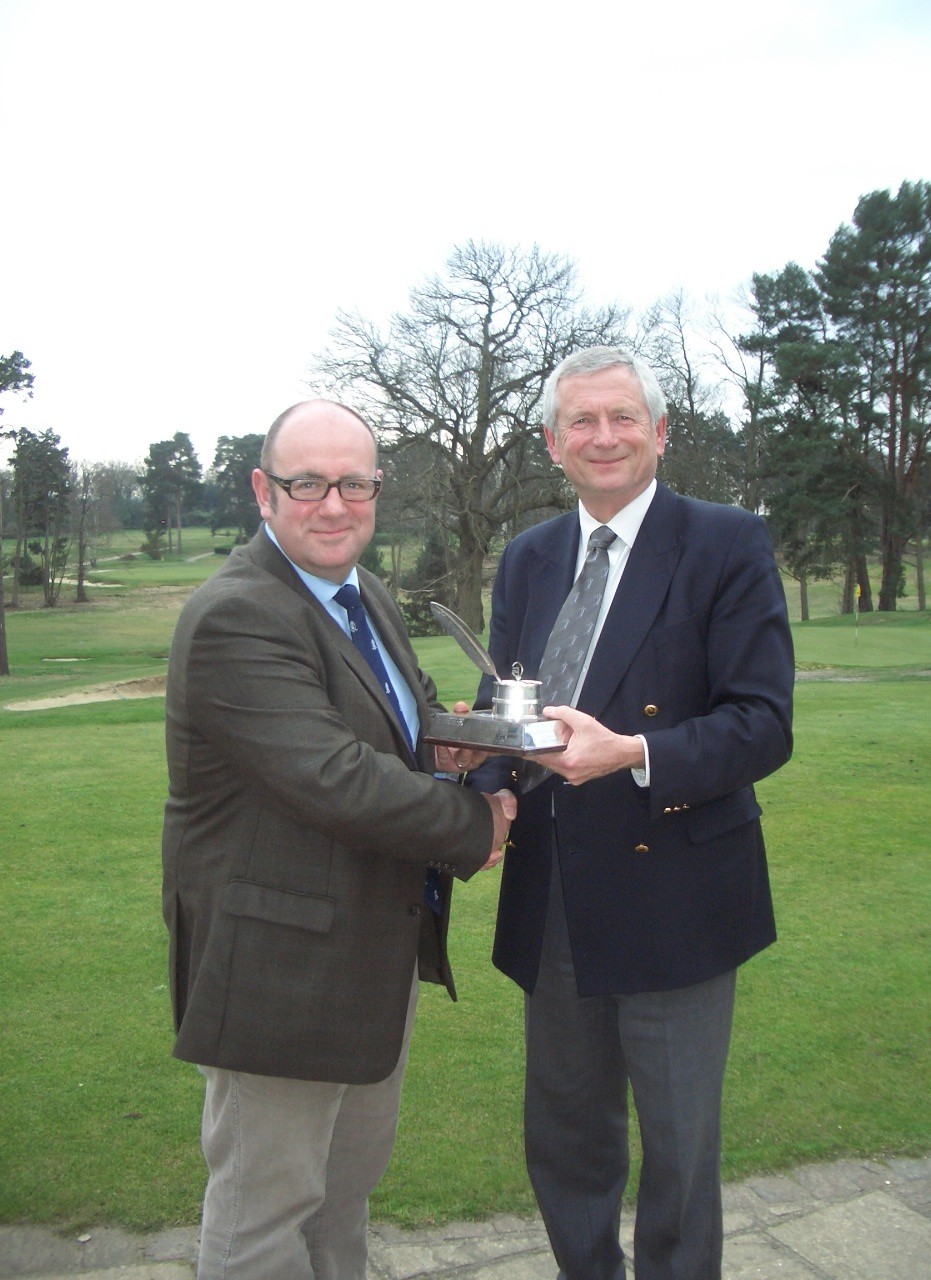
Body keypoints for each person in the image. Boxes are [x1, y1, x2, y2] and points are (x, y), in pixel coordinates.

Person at [161, 398, 515, 1280]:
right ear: (263, 490)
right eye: (307, 482)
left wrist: (469, 737)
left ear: (377, 490)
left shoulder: (365, 596)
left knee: (342, 1203)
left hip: (369, 952)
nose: (333, 503)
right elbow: (332, 777)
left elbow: (399, 726)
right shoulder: (238, 615)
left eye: (354, 483)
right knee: (262, 1220)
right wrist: (480, 822)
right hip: (278, 972)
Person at [471, 347, 794, 1280]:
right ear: (552, 443)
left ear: (659, 432)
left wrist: (633, 753)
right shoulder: (528, 559)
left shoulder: (726, 542)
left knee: (680, 1153)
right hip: (556, 895)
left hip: (679, 894)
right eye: (582, 420)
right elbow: (509, 714)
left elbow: (763, 724)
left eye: (622, 417)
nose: (602, 436)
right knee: (567, 1139)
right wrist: (485, 782)